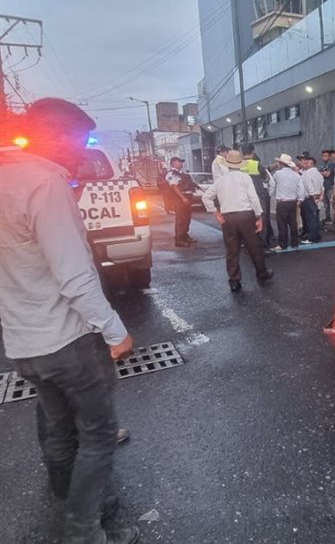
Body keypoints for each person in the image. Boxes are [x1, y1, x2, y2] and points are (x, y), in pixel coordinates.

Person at [0, 98, 138, 544]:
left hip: (24, 343)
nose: (81, 153)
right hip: (67, 340)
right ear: (56, 136)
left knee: (57, 425)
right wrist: (116, 332)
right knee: (97, 436)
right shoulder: (44, 185)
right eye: (79, 142)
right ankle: (84, 531)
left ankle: (74, 500)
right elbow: (75, 276)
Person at [202, 150, 274, 292]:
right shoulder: (245, 178)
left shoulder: (220, 181)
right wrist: (259, 216)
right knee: (254, 247)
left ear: (227, 164)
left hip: (228, 217)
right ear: (240, 164)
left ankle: (234, 281)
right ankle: (261, 273)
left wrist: (216, 213)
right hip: (245, 216)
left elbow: (206, 197)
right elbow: (253, 198)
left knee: (232, 250)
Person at [240, 143, 273, 249]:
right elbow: (266, 177)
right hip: (258, 195)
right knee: (261, 218)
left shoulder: (239, 165)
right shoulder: (256, 164)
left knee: (246, 219)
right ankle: (262, 244)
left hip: (243, 196)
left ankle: (248, 243)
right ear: (252, 151)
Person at [272, 153, 304, 251]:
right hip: (293, 202)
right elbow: (301, 188)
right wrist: (300, 199)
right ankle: (295, 242)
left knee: (282, 223)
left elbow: (272, 184)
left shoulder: (277, 174)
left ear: (281, 163)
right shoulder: (296, 175)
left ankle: (283, 244)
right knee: (293, 223)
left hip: (282, 202)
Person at [165, 157, 196, 247]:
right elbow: (173, 186)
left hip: (187, 197)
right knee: (181, 220)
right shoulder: (171, 174)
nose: (181, 163)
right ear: (174, 163)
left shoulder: (183, 174)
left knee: (187, 219)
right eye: (179, 162)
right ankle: (179, 240)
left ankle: (185, 236)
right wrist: (183, 198)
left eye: (181, 162)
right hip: (180, 199)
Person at [300, 155, 325, 244]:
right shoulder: (319, 174)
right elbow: (322, 186)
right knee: (316, 218)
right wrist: (319, 196)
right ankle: (316, 235)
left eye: (307, 163)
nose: (306, 164)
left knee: (310, 219)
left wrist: (312, 195)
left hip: (310, 197)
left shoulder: (307, 173)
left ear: (311, 164)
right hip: (318, 196)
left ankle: (312, 238)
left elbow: (309, 185)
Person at [319, 149, 335, 223]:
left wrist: (322, 173)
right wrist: (323, 173)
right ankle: (327, 217)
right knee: (326, 204)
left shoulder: (331, 164)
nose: (324, 157)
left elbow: (328, 174)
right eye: (323, 156)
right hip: (324, 186)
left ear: (329, 157)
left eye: (325, 156)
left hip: (330, 186)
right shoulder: (322, 165)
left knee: (332, 203)